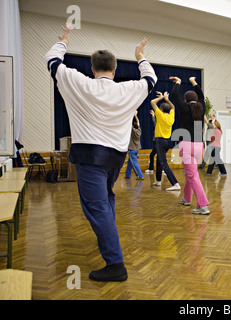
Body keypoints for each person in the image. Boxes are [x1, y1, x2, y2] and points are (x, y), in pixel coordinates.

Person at [45, 25, 157, 281]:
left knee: (96, 207)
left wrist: (64, 41)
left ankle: (116, 265)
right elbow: (150, 79)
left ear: (93, 69)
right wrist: (140, 56)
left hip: (90, 159)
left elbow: (51, 60)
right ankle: (111, 241)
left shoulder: (80, 83)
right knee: (105, 202)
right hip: (114, 160)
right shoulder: (127, 89)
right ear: (115, 70)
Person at [170, 76, 210, 215]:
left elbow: (174, 94)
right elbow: (202, 96)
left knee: (192, 176)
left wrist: (179, 82)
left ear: (186, 100)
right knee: (190, 174)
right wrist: (194, 82)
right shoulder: (201, 108)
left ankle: (203, 205)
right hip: (199, 146)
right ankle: (186, 198)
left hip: (186, 146)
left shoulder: (185, 108)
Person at [150, 91, 181, 191]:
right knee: (159, 161)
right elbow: (173, 107)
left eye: (159, 108)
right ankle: (158, 180)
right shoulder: (170, 117)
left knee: (163, 163)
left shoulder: (160, 115)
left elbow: (152, 102)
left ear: (161, 109)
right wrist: (167, 99)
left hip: (160, 141)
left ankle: (175, 183)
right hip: (167, 142)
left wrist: (162, 97)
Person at [125, 112, 144, 180]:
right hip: (137, 149)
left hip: (132, 149)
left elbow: (130, 124)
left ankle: (140, 176)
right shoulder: (139, 130)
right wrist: (135, 116)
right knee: (130, 162)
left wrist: (131, 115)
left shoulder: (133, 131)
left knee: (134, 163)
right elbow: (138, 122)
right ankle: (127, 175)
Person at [145, 109, 157, 174]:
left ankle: (151, 169)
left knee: (158, 156)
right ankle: (151, 169)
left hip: (158, 142)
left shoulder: (159, 125)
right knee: (152, 155)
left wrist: (153, 115)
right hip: (157, 141)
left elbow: (155, 122)